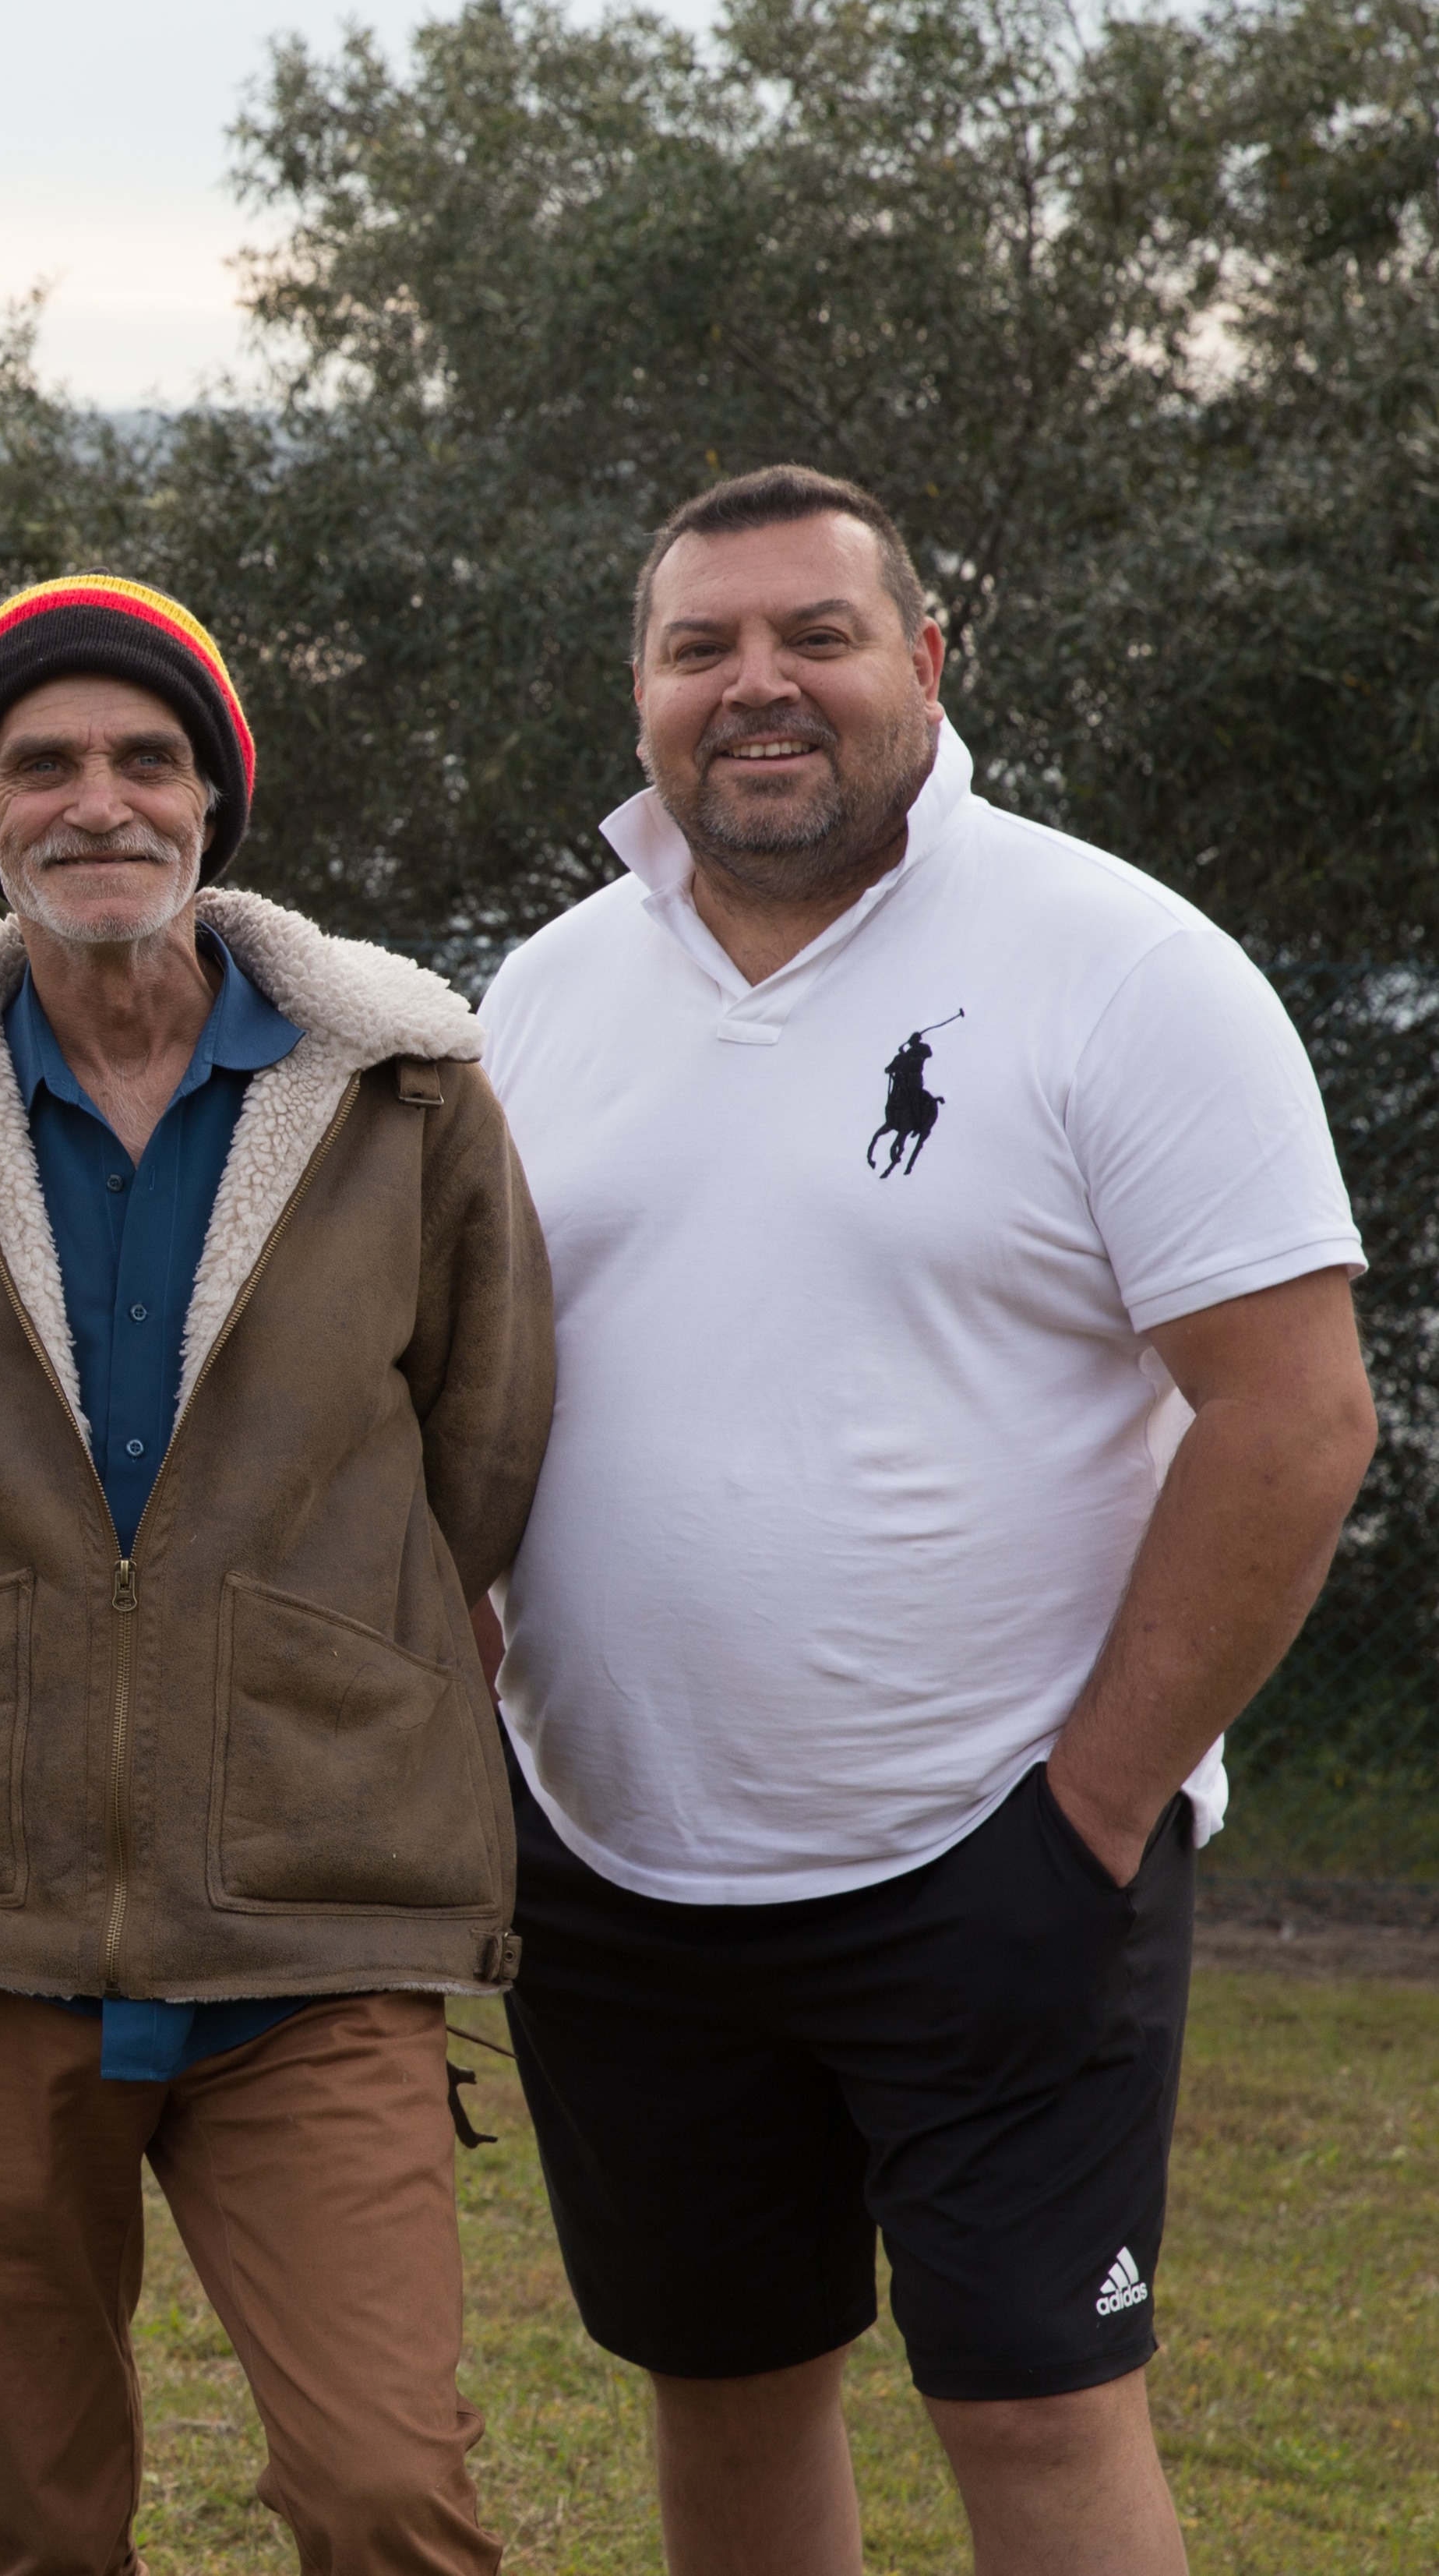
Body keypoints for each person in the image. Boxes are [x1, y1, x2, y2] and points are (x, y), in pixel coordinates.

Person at [481, 465, 1374, 2576]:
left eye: (816, 635)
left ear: (927, 666)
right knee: (723, 2398)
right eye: (702, 646)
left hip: (996, 1858)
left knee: (1038, 2421)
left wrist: (1092, 1806)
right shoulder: (546, 993)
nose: (756, 685)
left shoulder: (1114, 963)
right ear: (642, 696)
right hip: (615, 1866)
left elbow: (1296, 1413)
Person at [0, 575, 553, 2576]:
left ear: (213, 805)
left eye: (146, 759)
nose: (96, 800)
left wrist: (309, 1655)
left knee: (386, 2491)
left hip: (325, 1897)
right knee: (38, 2517)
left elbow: (481, 1445)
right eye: (42, 764)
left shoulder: (404, 1096)